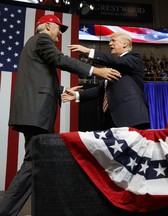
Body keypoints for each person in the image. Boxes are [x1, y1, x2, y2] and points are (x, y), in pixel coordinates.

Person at [0, 14, 121, 216]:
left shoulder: (34, 44)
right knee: (33, 163)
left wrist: (61, 89)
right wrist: (94, 70)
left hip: (33, 111)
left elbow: (38, 78)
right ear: (48, 25)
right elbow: (59, 59)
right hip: (36, 113)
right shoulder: (42, 39)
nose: (59, 35)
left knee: (35, 162)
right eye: (58, 29)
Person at [62, 32, 150, 130]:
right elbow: (100, 90)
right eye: (109, 41)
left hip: (131, 117)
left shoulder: (134, 58)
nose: (110, 44)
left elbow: (118, 61)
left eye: (113, 41)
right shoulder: (113, 68)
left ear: (125, 44)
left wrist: (89, 51)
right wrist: (77, 95)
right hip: (111, 120)